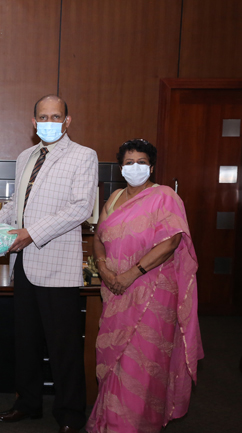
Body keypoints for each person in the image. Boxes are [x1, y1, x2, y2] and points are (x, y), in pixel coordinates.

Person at [0, 95, 98, 433]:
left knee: (63, 345)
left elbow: (81, 207)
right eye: (42, 116)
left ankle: (69, 414)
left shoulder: (83, 156)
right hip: (23, 265)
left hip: (57, 266)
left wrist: (31, 233)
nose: (49, 122)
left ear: (67, 121)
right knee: (26, 341)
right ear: (33, 121)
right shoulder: (25, 156)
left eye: (56, 116)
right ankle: (29, 403)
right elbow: (17, 204)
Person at [86, 139, 203, 433]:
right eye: (128, 162)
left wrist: (131, 274)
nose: (134, 168)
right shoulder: (112, 199)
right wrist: (103, 269)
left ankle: (136, 426)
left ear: (151, 166)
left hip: (152, 293)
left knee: (142, 361)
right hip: (114, 290)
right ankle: (109, 422)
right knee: (115, 359)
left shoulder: (164, 197)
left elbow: (171, 241)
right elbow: (99, 238)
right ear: (120, 166)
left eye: (141, 162)